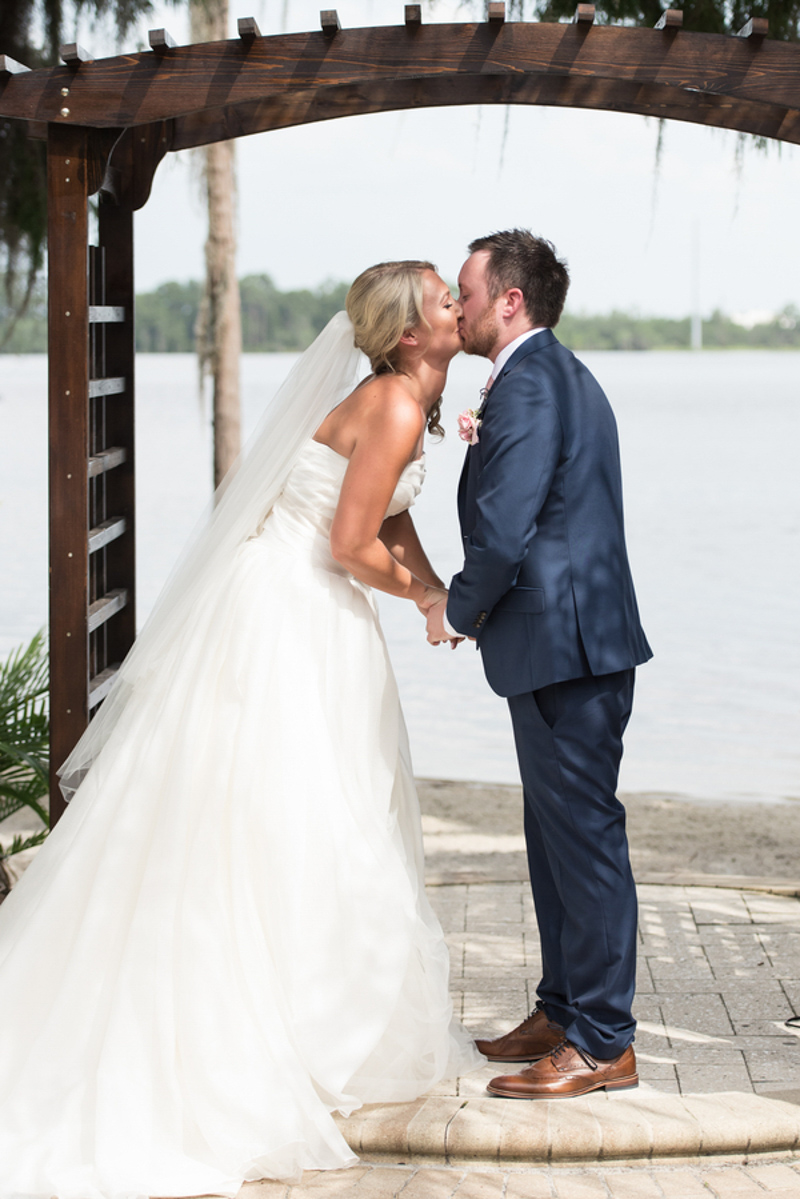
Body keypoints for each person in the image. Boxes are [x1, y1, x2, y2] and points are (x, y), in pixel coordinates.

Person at [0, 261, 483, 1197]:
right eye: (443, 298)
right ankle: (283, 1025)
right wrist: (428, 600)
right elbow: (350, 543)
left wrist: (435, 583)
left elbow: (391, 513)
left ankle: (303, 1008)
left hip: (299, 598)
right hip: (296, 611)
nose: (458, 305)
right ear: (409, 335)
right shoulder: (392, 402)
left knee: (299, 808)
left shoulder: (404, 398)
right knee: (298, 813)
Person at [423, 230, 652, 1100]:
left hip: (569, 647)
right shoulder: (550, 374)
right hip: (562, 643)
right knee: (554, 838)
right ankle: (562, 1009)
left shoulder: (530, 384)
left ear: (510, 300)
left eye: (469, 291)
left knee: (585, 840)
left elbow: (505, 530)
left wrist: (457, 608)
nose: (460, 305)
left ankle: (603, 1041)